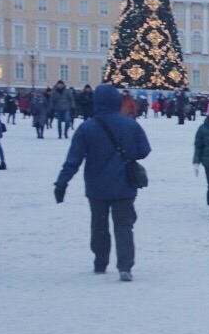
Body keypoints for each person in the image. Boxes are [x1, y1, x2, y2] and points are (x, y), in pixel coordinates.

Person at [53, 83, 152, 280]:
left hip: (96, 186)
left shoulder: (87, 128)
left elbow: (73, 160)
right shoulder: (131, 125)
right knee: (124, 226)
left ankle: (100, 262)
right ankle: (125, 267)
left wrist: (62, 182)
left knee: (98, 225)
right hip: (124, 185)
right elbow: (144, 151)